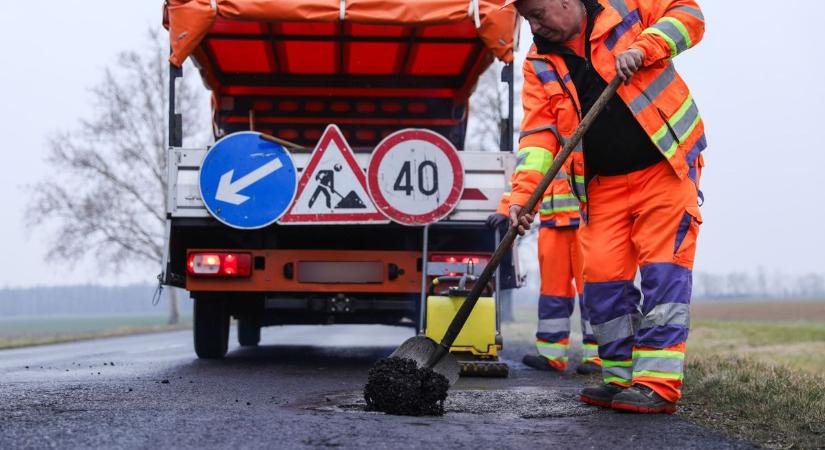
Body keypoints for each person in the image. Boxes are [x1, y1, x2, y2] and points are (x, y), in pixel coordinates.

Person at [503, 0, 706, 414]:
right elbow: (539, 136)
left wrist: (647, 46)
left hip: (663, 169)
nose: (533, 24)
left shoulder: (623, 7)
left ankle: (657, 385)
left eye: (537, 13)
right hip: (601, 189)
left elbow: (690, 15)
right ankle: (620, 378)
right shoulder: (538, 61)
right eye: (526, 18)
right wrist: (524, 198)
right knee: (601, 283)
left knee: (663, 276)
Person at [489, 173, 601, 375]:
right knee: (552, 294)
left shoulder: (584, 140)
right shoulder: (544, 144)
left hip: (587, 223)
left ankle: (598, 357)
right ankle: (552, 356)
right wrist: (506, 208)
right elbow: (524, 178)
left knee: (593, 292)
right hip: (552, 227)